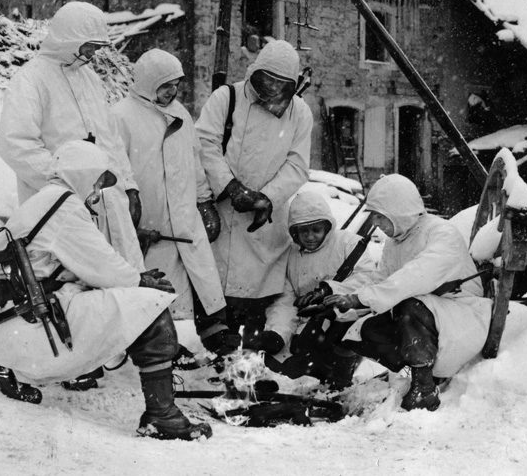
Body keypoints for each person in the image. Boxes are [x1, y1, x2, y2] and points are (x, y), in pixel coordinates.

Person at [0, 141, 212, 440]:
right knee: (151, 307)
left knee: (129, 299)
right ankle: (161, 416)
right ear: (83, 174)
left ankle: (13, 368)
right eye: (97, 181)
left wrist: (132, 278)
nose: (97, 192)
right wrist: (140, 282)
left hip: (8, 324)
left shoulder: (46, 199)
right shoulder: (65, 206)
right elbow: (103, 265)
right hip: (27, 325)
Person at [0, 1, 143, 386]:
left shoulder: (90, 79)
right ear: (68, 39)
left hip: (102, 194)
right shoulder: (31, 78)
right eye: (89, 46)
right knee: (64, 280)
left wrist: (126, 185)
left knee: (105, 269)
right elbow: (15, 142)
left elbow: (109, 138)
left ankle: (97, 351)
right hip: (58, 200)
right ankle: (66, 359)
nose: (94, 55)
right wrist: (64, 180)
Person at [303, 174, 492, 410]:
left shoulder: (442, 233)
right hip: (427, 314)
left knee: (409, 307)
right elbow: (381, 280)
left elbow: (415, 276)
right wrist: (341, 296)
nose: (377, 224)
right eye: (375, 216)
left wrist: (359, 298)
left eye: (381, 216)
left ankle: (424, 388)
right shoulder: (396, 243)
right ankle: (339, 382)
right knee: (360, 326)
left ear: (400, 211)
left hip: (461, 316)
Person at [110, 49, 238, 357]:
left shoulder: (181, 114)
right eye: (165, 84)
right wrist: (129, 196)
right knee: (155, 285)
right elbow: (115, 164)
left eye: (176, 84)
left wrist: (205, 201)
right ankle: (158, 344)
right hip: (150, 219)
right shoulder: (121, 116)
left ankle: (214, 332)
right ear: (147, 82)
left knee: (200, 276)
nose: (173, 90)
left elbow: (193, 162)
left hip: (184, 212)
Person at [195, 39, 313, 347]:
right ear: (254, 72)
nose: (272, 87)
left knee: (260, 282)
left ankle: (252, 340)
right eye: (267, 79)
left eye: (281, 82)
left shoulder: (300, 113)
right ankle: (215, 333)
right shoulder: (227, 97)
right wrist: (232, 188)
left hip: (266, 215)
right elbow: (204, 145)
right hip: (224, 205)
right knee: (217, 274)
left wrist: (267, 197)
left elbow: (298, 166)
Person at [258, 189, 376, 389]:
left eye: (316, 230)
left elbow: (368, 279)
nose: (310, 237)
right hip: (304, 328)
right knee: (278, 367)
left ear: (327, 226)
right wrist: (278, 333)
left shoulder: (348, 244)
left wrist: (328, 291)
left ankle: (340, 382)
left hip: (343, 320)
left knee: (334, 338)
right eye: (304, 231)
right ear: (294, 232)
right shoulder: (290, 256)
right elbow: (285, 301)